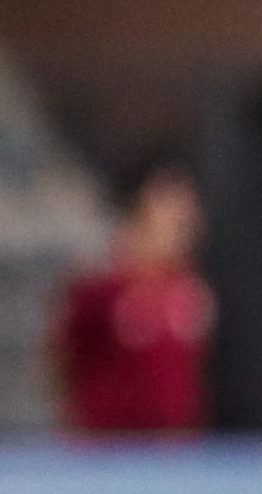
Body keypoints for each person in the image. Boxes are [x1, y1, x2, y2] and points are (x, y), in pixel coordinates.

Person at [50, 165, 215, 435]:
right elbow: (62, 362)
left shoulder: (189, 287)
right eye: (175, 222)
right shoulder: (99, 286)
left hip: (172, 453)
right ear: (141, 218)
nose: (185, 232)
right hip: (111, 452)